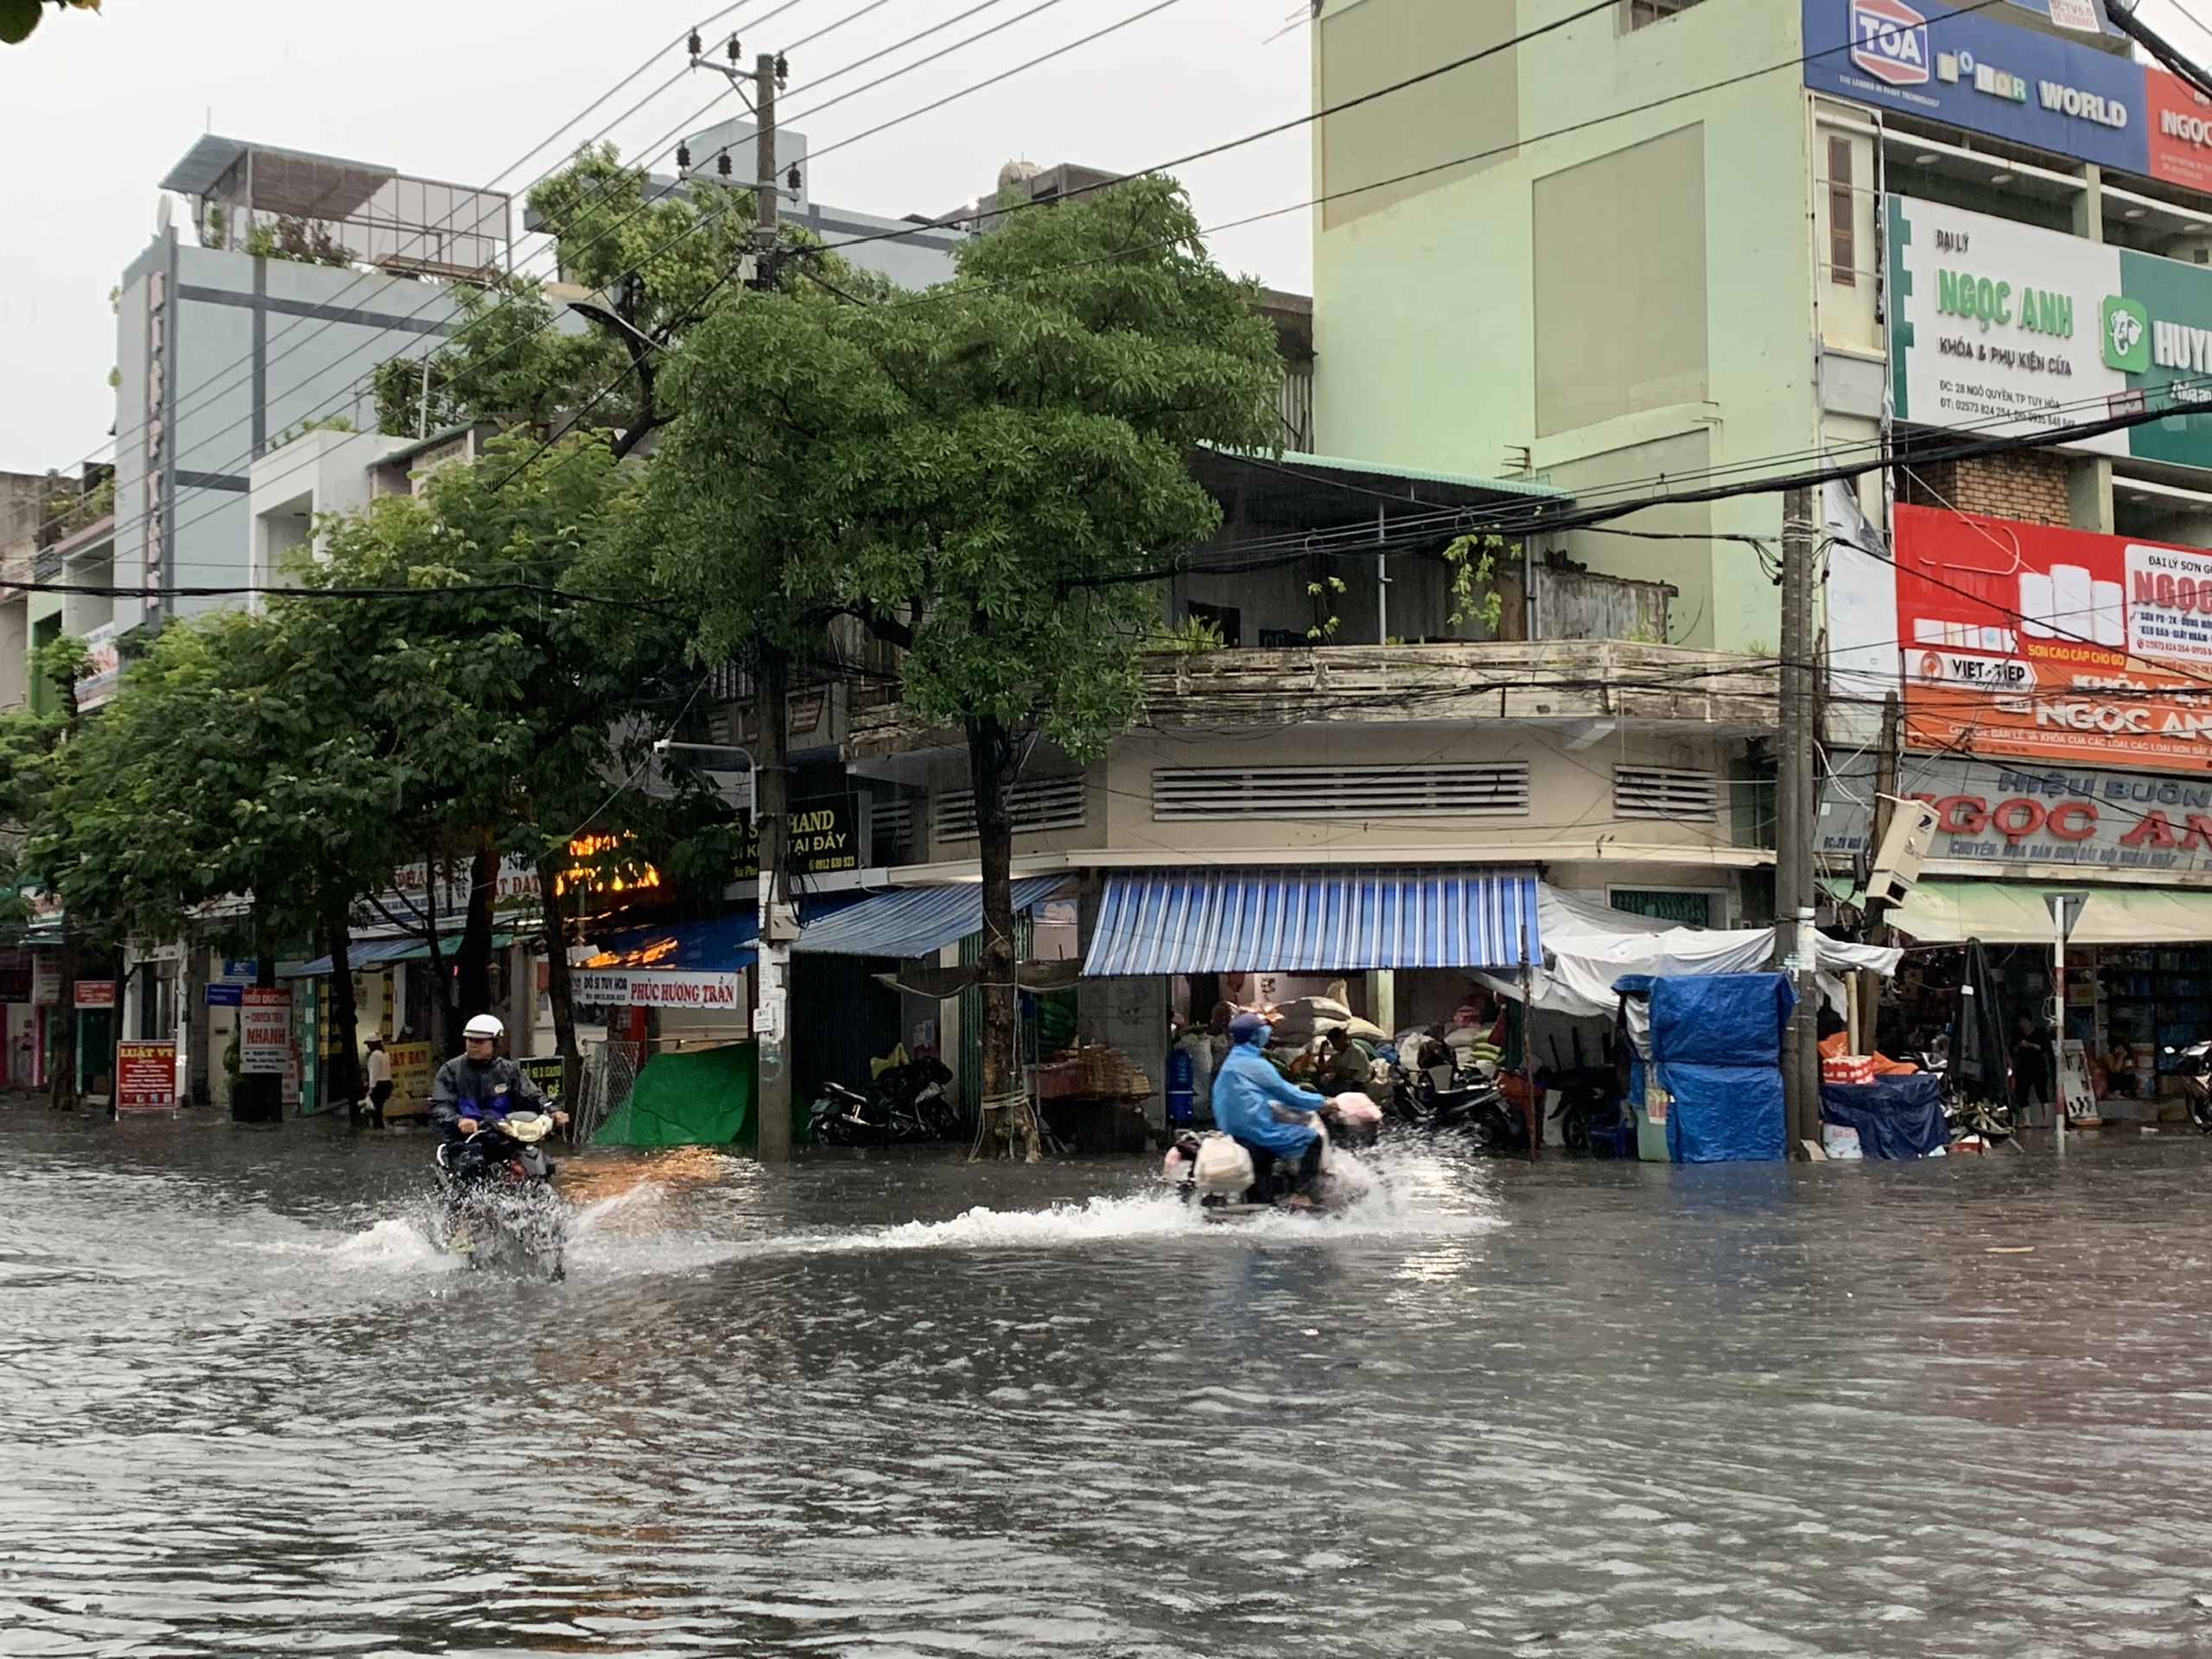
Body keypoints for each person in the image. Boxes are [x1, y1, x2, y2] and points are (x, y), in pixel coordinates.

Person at [1212, 1010, 1328, 1203]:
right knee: (1312, 1139)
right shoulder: (1255, 1064)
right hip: (1254, 1128)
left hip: (1231, 1127)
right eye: (1261, 1029)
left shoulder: (1232, 1060)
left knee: (1265, 1158)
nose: (1266, 1031)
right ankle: (1300, 1194)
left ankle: (1261, 1198)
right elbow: (1287, 1094)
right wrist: (1323, 1102)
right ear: (1255, 1035)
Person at [429, 1014, 563, 1144]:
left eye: (480, 1041)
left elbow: (531, 1095)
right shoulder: (451, 1070)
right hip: (465, 1141)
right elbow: (440, 1105)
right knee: (474, 1164)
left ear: (495, 1043)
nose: (473, 1045)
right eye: (470, 1040)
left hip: (505, 1137)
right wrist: (459, 1121)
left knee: (541, 1162)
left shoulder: (508, 1070)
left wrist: (553, 1110)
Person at [364, 1036, 393, 1129]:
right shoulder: (386, 1054)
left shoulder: (375, 1055)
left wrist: (371, 1088)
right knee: (379, 1108)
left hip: (379, 1084)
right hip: (387, 1083)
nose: (368, 1046)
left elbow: (374, 1072)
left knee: (375, 1109)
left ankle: (378, 1127)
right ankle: (380, 1127)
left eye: (369, 1044)